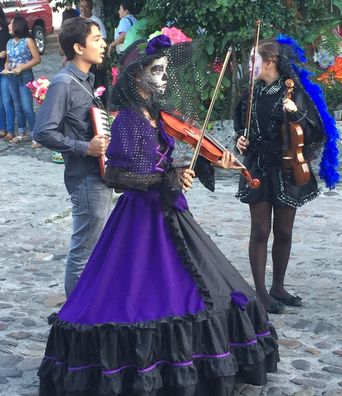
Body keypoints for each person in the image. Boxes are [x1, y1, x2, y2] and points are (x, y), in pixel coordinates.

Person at [37, 29, 279, 396]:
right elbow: (123, 175)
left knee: (202, 284)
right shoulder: (132, 120)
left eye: (166, 72)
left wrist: (209, 162)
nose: (164, 79)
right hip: (143, 216)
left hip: (168, 209)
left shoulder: (156, 114)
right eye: (158, 71)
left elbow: (171, 156)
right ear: (137, 76)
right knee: (143, 292)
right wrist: (172, 176)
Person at [235, 36, 339, 314]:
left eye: (253, 59)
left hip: (286, 167)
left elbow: (316, 131)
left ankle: (277, 287)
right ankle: (259, 292)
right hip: (258, 166)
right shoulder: (250, 94)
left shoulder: (294, 92)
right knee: (260, 230)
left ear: (269, 61)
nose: (249, 64)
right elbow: (240, 129)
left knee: (284, 231)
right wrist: (240, 141)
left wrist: (294, 116)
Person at [33, 18, 113, 297]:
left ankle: (86, 315)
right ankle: (75, 326)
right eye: (96, 39)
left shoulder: (87, 80)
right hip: (85, 179)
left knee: (92, 251)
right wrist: (84, 147)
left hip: (98, 176)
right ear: (79, 47)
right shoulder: (64, 83)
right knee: (83, 253)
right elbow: (42, 131)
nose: (103, 44)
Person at [5, 15, 40, 146]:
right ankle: (21, 133)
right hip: (12, 77)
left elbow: (37, 59)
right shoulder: (9, 42)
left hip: (25, 77)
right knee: (18, 106)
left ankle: (36, 135)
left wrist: (22, 67)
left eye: (11, 24)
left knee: (27, 107)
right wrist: (6, 68)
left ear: (18, 26)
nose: (9, 26)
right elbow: (8, 61)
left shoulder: (28, 41)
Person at [0, 6, 13, 140]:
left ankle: (10, 129)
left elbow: (13, 45)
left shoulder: (6, 31)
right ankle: (1, 127)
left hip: (5, 69)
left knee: (6, 99)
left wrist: (6, 53)